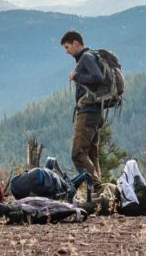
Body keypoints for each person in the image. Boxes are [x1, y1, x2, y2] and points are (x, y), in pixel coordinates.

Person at [61, 30, 104, 192]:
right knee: (92, 154)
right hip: (96, 113)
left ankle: (97, 188)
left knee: (78, 153)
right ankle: (99, 192)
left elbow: (97, 77)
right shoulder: (90, 56)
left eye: (67, 47)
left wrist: (77, 76)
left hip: (88, 113)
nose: (67, 52)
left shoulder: (86, 57)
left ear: (76, 43)